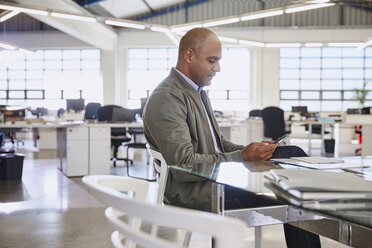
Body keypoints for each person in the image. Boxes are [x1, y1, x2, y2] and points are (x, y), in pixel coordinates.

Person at [143, 28, 320, 248]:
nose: (217, 68)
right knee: (292, 194)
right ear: (189, 56)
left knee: (292, 156)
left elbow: (218, 145)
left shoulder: (197, 92)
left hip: (214, 177)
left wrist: (251, 151)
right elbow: (183, 164)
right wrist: (242, 156)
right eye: (212, 60)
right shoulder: (167, 97)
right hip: (195, 190)